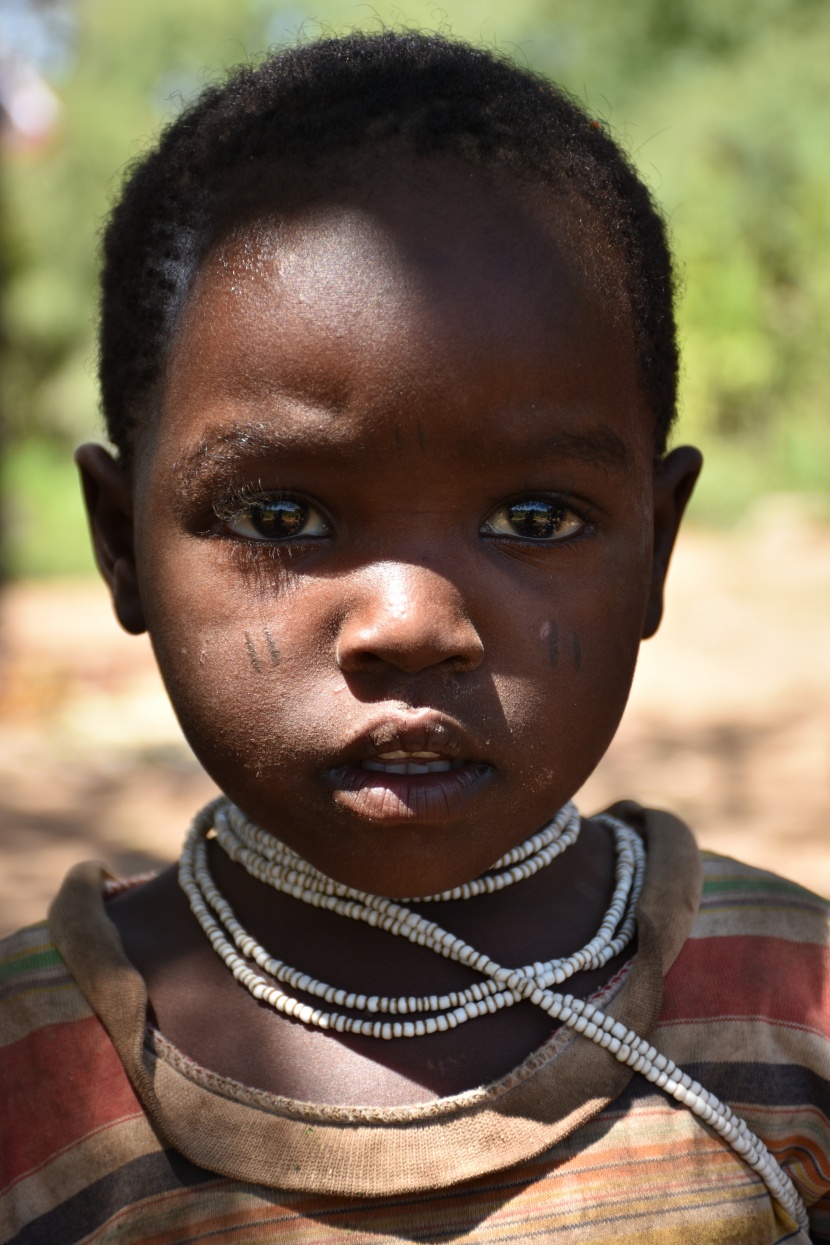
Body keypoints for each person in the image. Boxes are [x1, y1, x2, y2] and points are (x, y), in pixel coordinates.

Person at [1, 30, 828, 1244]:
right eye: (280, 515)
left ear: (653, 547)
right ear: (121, 545)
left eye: (535, 516)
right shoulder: (29, 1068)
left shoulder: (791, 1005)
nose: (411, 624)